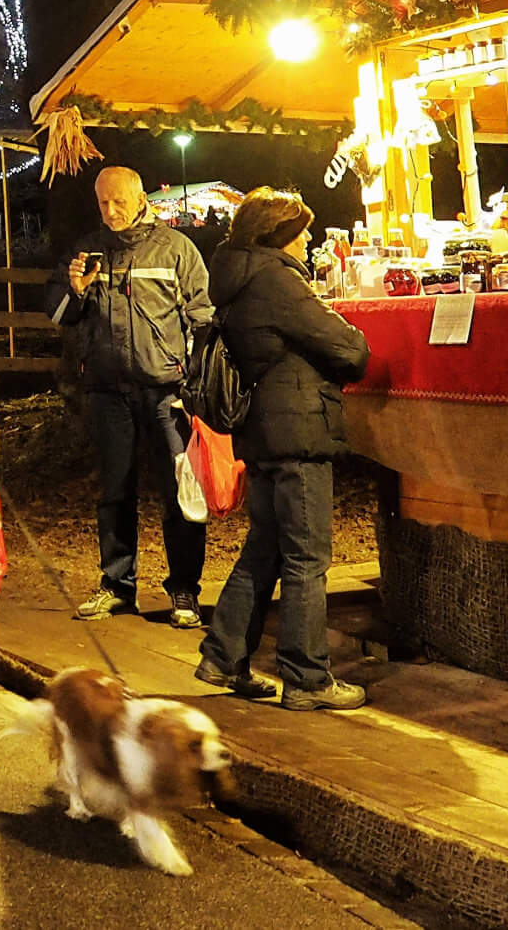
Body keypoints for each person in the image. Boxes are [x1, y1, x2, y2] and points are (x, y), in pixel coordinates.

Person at [198, 188, 371, 710]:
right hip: (298, 431)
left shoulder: (235, 275)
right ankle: (307, 678)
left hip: (263, 430)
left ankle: (224, 656)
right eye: (302, 232)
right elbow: (349, 348)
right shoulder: (277, 279)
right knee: (307, 556)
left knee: (265, 547)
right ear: (280, 236)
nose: (309, 241)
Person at [46, 164, 213, 627]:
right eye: (103, 202)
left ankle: (184, 590)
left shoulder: (177, 249)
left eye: (119, 201)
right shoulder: (86, 251)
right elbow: (59, 314)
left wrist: (192, 385)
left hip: (165, 393)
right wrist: (75, 291)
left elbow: (202, 317)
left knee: (179, 492)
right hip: (106, 389)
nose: (111, 211)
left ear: (142, 199)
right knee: (114, 492)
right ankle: (117, 586)